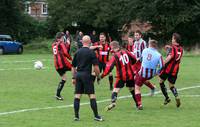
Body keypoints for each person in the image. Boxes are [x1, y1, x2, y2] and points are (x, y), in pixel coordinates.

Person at [99, 41, 138, 111]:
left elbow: (109, 68)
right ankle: (138, 104)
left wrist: (101, 76)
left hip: (121, 76)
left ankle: (113, 102)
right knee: (132, 89)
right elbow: (134, 59)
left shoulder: (115, 56)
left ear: (113, 47)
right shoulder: (126, 51)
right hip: (130, 75)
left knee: (116, 90)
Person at [71, 35, 103, 121]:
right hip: (87, 75)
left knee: (77, 95)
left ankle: (76, 116)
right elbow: (96, 67)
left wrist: (73, 78)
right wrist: (98, 76)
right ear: (89, 42)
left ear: (82, 42)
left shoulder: (77, 52)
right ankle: (96, 116)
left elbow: (73, 67)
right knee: (92, 95)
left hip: (78, 75)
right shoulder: (91, 52)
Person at [134, 40, 164, 110]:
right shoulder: (159, 55)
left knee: (137, 87)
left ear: (149, 45)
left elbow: (140, 60)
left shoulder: (145, 50)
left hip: (143, 73)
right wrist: (157, 72)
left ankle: (139, 104)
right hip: (151, 74)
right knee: (143, 79)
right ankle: (152, 87)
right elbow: (162, 65)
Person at [159, 33, 183, 108]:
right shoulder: (181, 49)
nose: (171, 40)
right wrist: (169, 48)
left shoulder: (173, 48)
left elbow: (170, 57)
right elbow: (176, 52)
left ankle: (167, 98)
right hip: (175, 70)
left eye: (172, 38)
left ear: (175, 40)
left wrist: (162, 63)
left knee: (160, 81)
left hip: (168, 69)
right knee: (171, 85)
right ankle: (176, 96)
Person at [133, 30, 156, 95]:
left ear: (140, 35)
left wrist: (143, 61)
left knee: (139, 78)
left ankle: (137, 92)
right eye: (135, 35)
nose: (136, 36)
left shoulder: (143, 42)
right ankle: (152, 87)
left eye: (137, 35)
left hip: (141, 63)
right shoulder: (135, 43)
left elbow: (145, 52)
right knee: (137, 78)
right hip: (135, 63)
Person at [52, 32, 72, 100]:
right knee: (75, 69)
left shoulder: (53, 44)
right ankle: (79, 89)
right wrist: (71, 59)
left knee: (64, 79)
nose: (64, 39)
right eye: (63, 38)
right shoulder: (61, 43)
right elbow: (65, 52)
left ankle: (57, 94)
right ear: (60, 38)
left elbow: (62, 50)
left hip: (56, 65)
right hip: (63, 63)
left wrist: (68, 44)